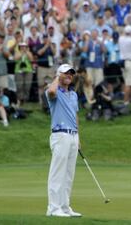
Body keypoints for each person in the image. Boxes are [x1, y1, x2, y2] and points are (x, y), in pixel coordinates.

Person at [45, 64, 81, 218]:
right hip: (60, 135)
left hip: (73, 135)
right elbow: (52, 91)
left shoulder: (73, 95)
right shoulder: (53, 92)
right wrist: (56, 77)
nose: (69, 76)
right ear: (59, 74)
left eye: (71, 74)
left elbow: (75, 115)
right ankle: (53, 208)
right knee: (57, 173)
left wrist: (78, 137)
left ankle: (65, 207)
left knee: (68, 174)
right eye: (66, 73)